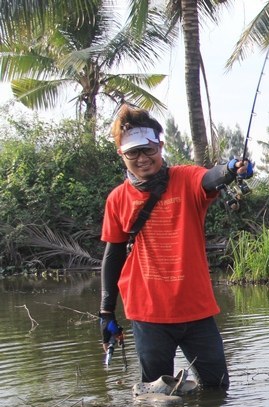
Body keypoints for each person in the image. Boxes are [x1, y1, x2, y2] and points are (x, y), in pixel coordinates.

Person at [100, 105, 252, 390]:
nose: (142, 159)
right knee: (158, 397)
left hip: (196, 309)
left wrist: (230, 169)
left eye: (148, 150)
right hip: (147, 312)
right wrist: (106, 312)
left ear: (160, 146)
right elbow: (114, 254)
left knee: (217, 389)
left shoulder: (185, 179)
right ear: (122, 154)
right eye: (133, 152)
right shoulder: (117, 199)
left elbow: (209, 177)